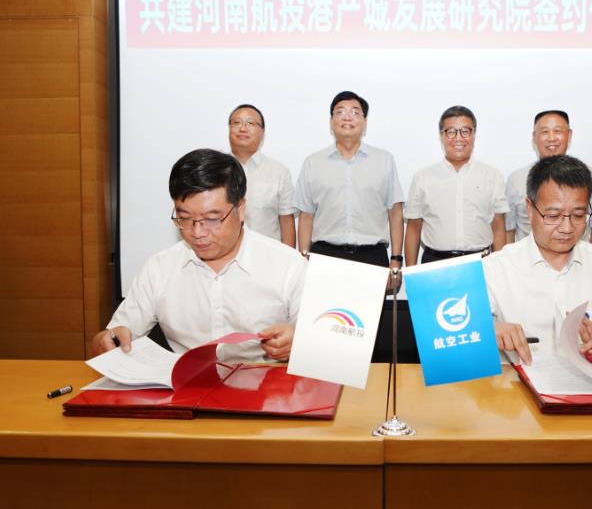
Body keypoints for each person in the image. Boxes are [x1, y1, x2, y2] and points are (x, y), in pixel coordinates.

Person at [90, 149, 307, 362]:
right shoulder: (160, 268)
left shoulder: (288, 265)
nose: (197, 233)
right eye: (184, 218)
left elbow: (318, 345)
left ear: (241, 208)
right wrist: (107, 341)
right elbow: (115, 335)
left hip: (265, 381)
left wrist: (299, 342)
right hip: (185, 383)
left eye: (211, 219)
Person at [485, 154, 592, 365]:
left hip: (591, 383)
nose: (567, 228)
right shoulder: (495, 268)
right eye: (553, 216)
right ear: (530, 209)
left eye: (578, 215)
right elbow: (461, 339)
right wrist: (488, 331)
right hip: (518, 384)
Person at [294, 91, 405, 269]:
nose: (347, 117)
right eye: (340, 112)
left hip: (372, 257)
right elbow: (306, 216)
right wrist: (304, 258)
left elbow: (395, 212)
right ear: (331, 122)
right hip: (325, 256)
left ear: (365, 122)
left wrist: (397, 259)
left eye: (355, 112)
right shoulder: (313, 163)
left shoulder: (384, 160)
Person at [404, 105, 508, 265]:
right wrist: (410, 271)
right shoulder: (423, 178)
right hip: (435, 263)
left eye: (465, 131)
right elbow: (413, 227)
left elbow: (498, 225)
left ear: (474, 134)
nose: (458, 138)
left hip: (481, 263)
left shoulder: (492, 176)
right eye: (451, 132)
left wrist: (501, 267)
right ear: (441, 135)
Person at [505, 110, 592, 249]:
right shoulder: (516, 179)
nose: (551, 138)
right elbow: (508, 229)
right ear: (534, 137)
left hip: (577, 259)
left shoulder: (589, 176)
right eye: (545, 132)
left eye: (557, 131)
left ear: (569, 135)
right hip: (529, 260)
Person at [228, 103, 296, 247]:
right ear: (229, 128)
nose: (243, 128)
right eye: (237, 122)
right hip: (223, 255)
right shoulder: (214, 170)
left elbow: (286, 221)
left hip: (267, 255)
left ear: (263, 132)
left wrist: (289, 257)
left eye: (250, 123)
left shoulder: (279, 172)